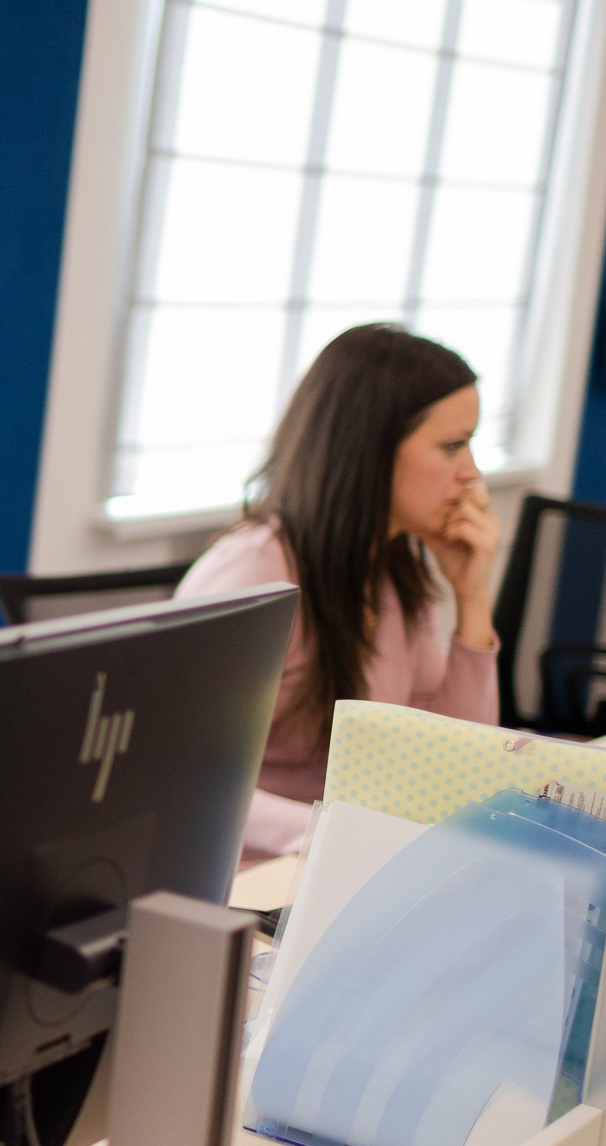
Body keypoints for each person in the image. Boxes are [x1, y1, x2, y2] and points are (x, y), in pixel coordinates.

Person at [177, 324, 503, 859]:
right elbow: (180, 775)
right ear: (370, 449)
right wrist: (340, 834)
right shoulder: (254, 573)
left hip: (343, 862)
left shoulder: (394, 569)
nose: (471, 473)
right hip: (246, 874)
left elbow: (457, 767)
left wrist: (473, 597)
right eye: (452, 446)